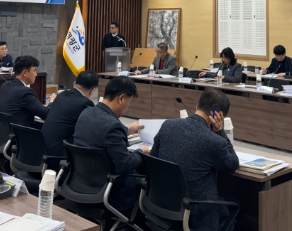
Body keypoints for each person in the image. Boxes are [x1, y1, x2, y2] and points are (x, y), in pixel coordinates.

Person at [147, 88, 239, 231]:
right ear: (218, 115)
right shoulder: (214, 141)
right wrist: (220, 132)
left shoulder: (167, 125)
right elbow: (233, 163)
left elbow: (153, 160)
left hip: (161, 206)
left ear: (197, 104)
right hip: (196, 215)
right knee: (234, 205)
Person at [73, 76, 148, 212]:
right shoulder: (113, 126)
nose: (126, 108)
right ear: (121, 99)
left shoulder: (86, 112)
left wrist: (127, 129)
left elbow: (101, 130)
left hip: (80, 182)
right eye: (128, 103)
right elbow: (125, 165)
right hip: (109, 190)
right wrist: (141, 151)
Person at [42, 70, 99, 157]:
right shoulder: (85, 103)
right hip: (59, 154)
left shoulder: (61, 95)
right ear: (92, 90)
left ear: (74, 83)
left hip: (42, 149)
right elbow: (92, 129)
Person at [0, 56, 55, 127]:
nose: (36, 74)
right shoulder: (25, 92)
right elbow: (47, 115)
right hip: (21, 132)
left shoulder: (5, 85)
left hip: (3, 132)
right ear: (25, 72)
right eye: (34, 71)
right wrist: (52, 102)